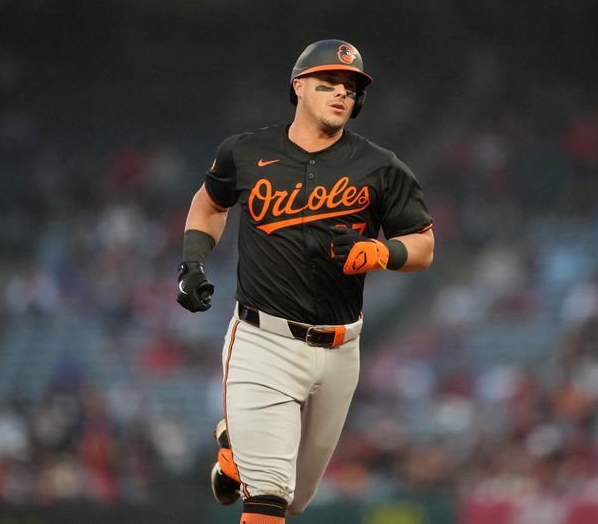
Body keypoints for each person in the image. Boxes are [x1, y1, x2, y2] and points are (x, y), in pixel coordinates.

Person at [176, 39, 434, 523]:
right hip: (263, 340)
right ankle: (247, 451)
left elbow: (423, 245)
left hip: (341, 348)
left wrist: (380, 251)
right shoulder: (246, 152)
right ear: (298, 87)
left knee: (295, 499)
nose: (342, 93)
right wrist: (192, 262)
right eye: (328, 83)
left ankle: (234, 446)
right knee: (270, 495)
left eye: (351, 86)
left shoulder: (381, 167)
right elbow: (210, 203)